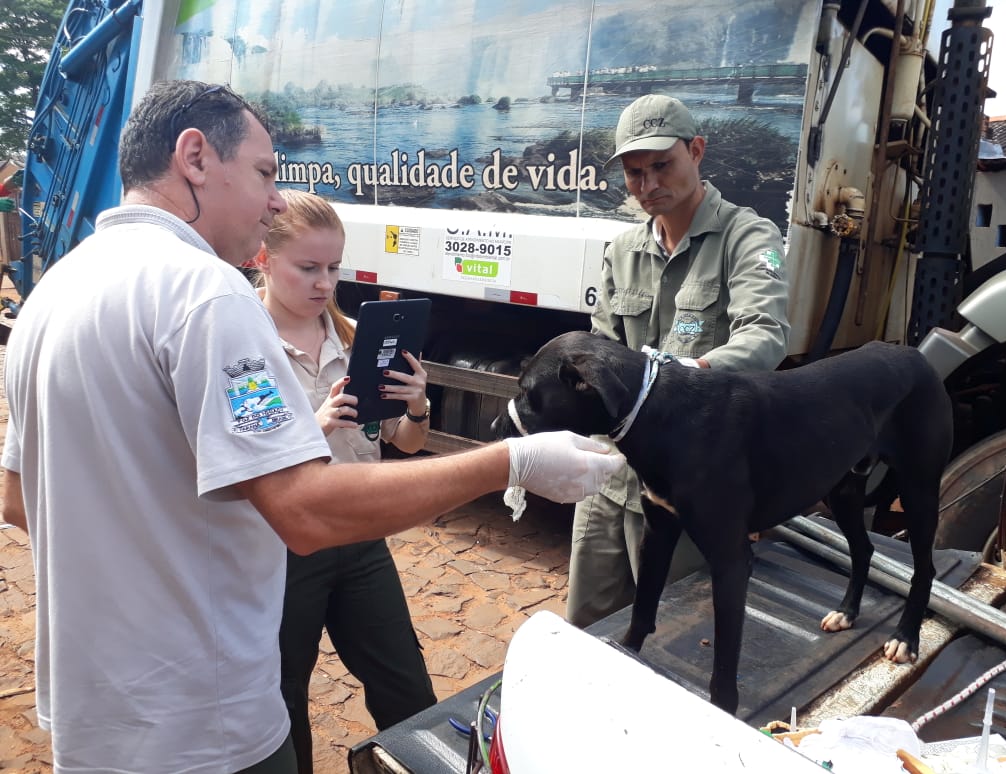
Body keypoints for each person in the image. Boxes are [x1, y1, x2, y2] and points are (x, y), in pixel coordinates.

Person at [0, 79, 622, 774]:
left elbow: (19, 498)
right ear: (194, 156)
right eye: (266, 173)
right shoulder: (206, 293)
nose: (274, 201)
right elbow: (301, 512)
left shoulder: (52, 293)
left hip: (93, 718)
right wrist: (510, 462)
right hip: (199, 725)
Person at [566, 93, 791, 629]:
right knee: (586, 627)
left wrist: (689, 377)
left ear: (697, 151)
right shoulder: (622, 250)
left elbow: (766, 334)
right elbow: (602, 347)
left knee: (674, 633)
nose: (647, 186)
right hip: (612, 475)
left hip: (691, 484)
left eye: (661, 166)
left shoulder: (749, 236)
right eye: (634, 173)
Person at [254, 189, 436, 773]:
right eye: (307, 268)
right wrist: (314, 427)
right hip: (284, 551)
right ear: (264, 259)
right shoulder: (243, 345)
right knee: (284, 701)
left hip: (362, 540)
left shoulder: (358, 337)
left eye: (333, 268)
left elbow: (403, 445)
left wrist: (417, 408)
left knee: (406, 686)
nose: (323, 282)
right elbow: (244, 461)